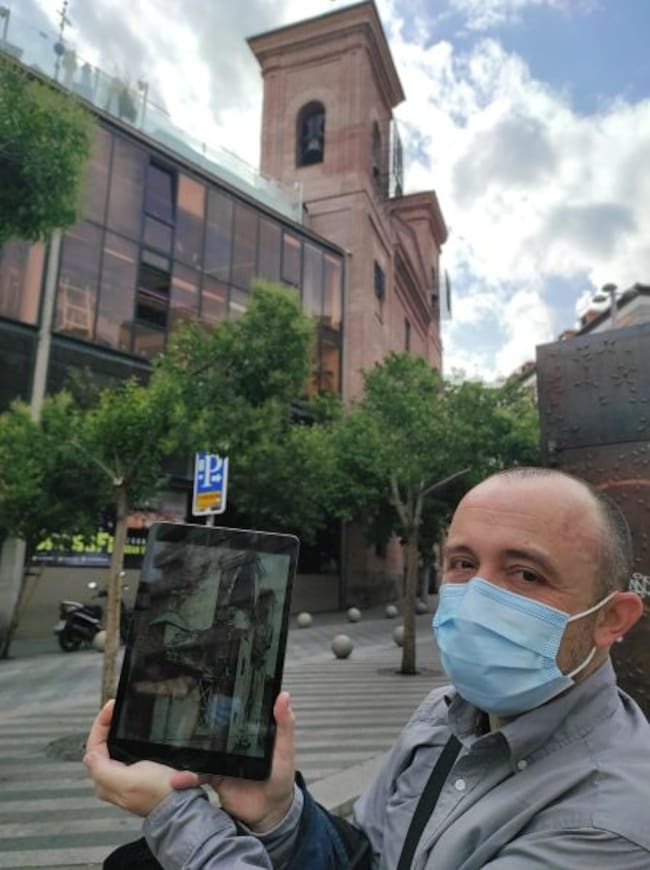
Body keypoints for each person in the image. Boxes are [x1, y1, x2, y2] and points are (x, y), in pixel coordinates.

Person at [85, 467, 650, 868]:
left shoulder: (605, 827)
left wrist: (177, 817)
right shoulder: (442, 715)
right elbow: (365, 859)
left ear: (612, 620)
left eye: (526, 574)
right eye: (462, 563)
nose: (477, 596)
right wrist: (281, 816)